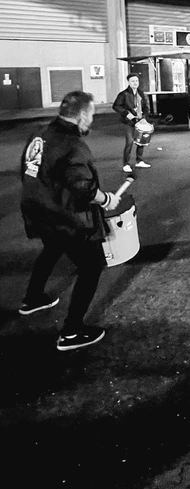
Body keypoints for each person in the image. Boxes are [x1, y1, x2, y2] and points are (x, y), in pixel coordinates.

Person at [19, 91, 123, 351]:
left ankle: (33, 299)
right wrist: (106, 199)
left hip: (37, 209)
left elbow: (28, 168)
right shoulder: (73, 145)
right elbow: (83, 188)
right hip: (64, 216)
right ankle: (72, 331)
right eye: (91, 116)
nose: (92, 120)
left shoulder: (39, 135)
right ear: (82, 115)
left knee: (52, 248)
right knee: (90, 266)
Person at [112, 73, 152, 172]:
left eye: (136, 81)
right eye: (133, 81)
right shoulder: (124, 94)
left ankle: (139, 160)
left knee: (141, 141)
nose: (135, 83)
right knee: (129, 142)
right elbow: (116, 106)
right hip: (129, 121)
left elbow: (146, 106)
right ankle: (126, 164)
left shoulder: (141, 93)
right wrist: (126, 113)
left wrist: (144, 117)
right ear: (129, 82)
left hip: (140, 120)